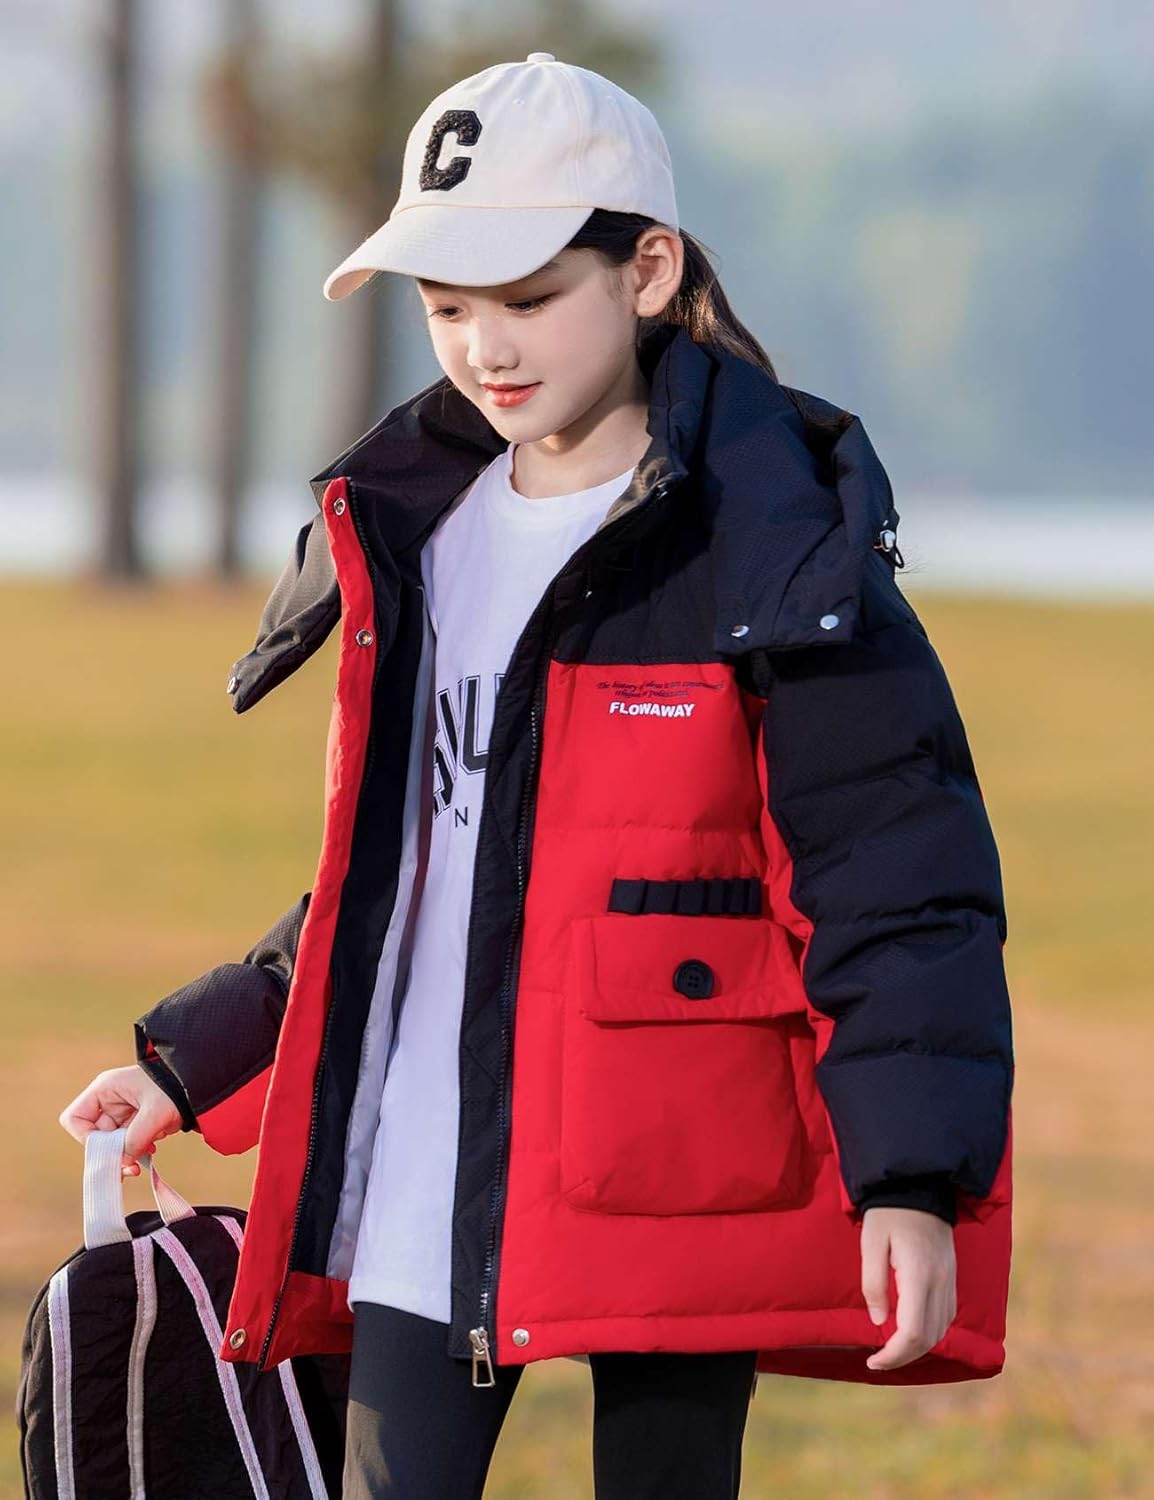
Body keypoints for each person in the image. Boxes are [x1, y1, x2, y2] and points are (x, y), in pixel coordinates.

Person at [60, 52, 1015, 1500]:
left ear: (647, 272)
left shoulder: (773, 545)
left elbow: (895, 876)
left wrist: (910, 1180)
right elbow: (407, 875)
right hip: (426, 1166)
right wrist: (191, 1062)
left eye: (525, 298)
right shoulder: (416, 538)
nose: (484, 348)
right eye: (446, 308)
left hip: (678, 1168)